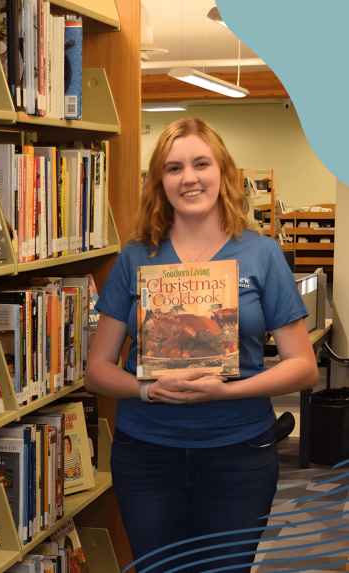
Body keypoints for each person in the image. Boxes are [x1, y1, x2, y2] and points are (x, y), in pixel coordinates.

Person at [85, 118, 318, 573]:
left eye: (200, 164)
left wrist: (228, 391)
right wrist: (147, 389)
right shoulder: (136, 255)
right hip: (147, 452)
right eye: (173, 168)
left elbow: (304, 367)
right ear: (160, 182)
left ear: (223, 171)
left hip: (239, 452)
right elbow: (97, 369)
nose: (188, 178)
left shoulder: (262, 253)